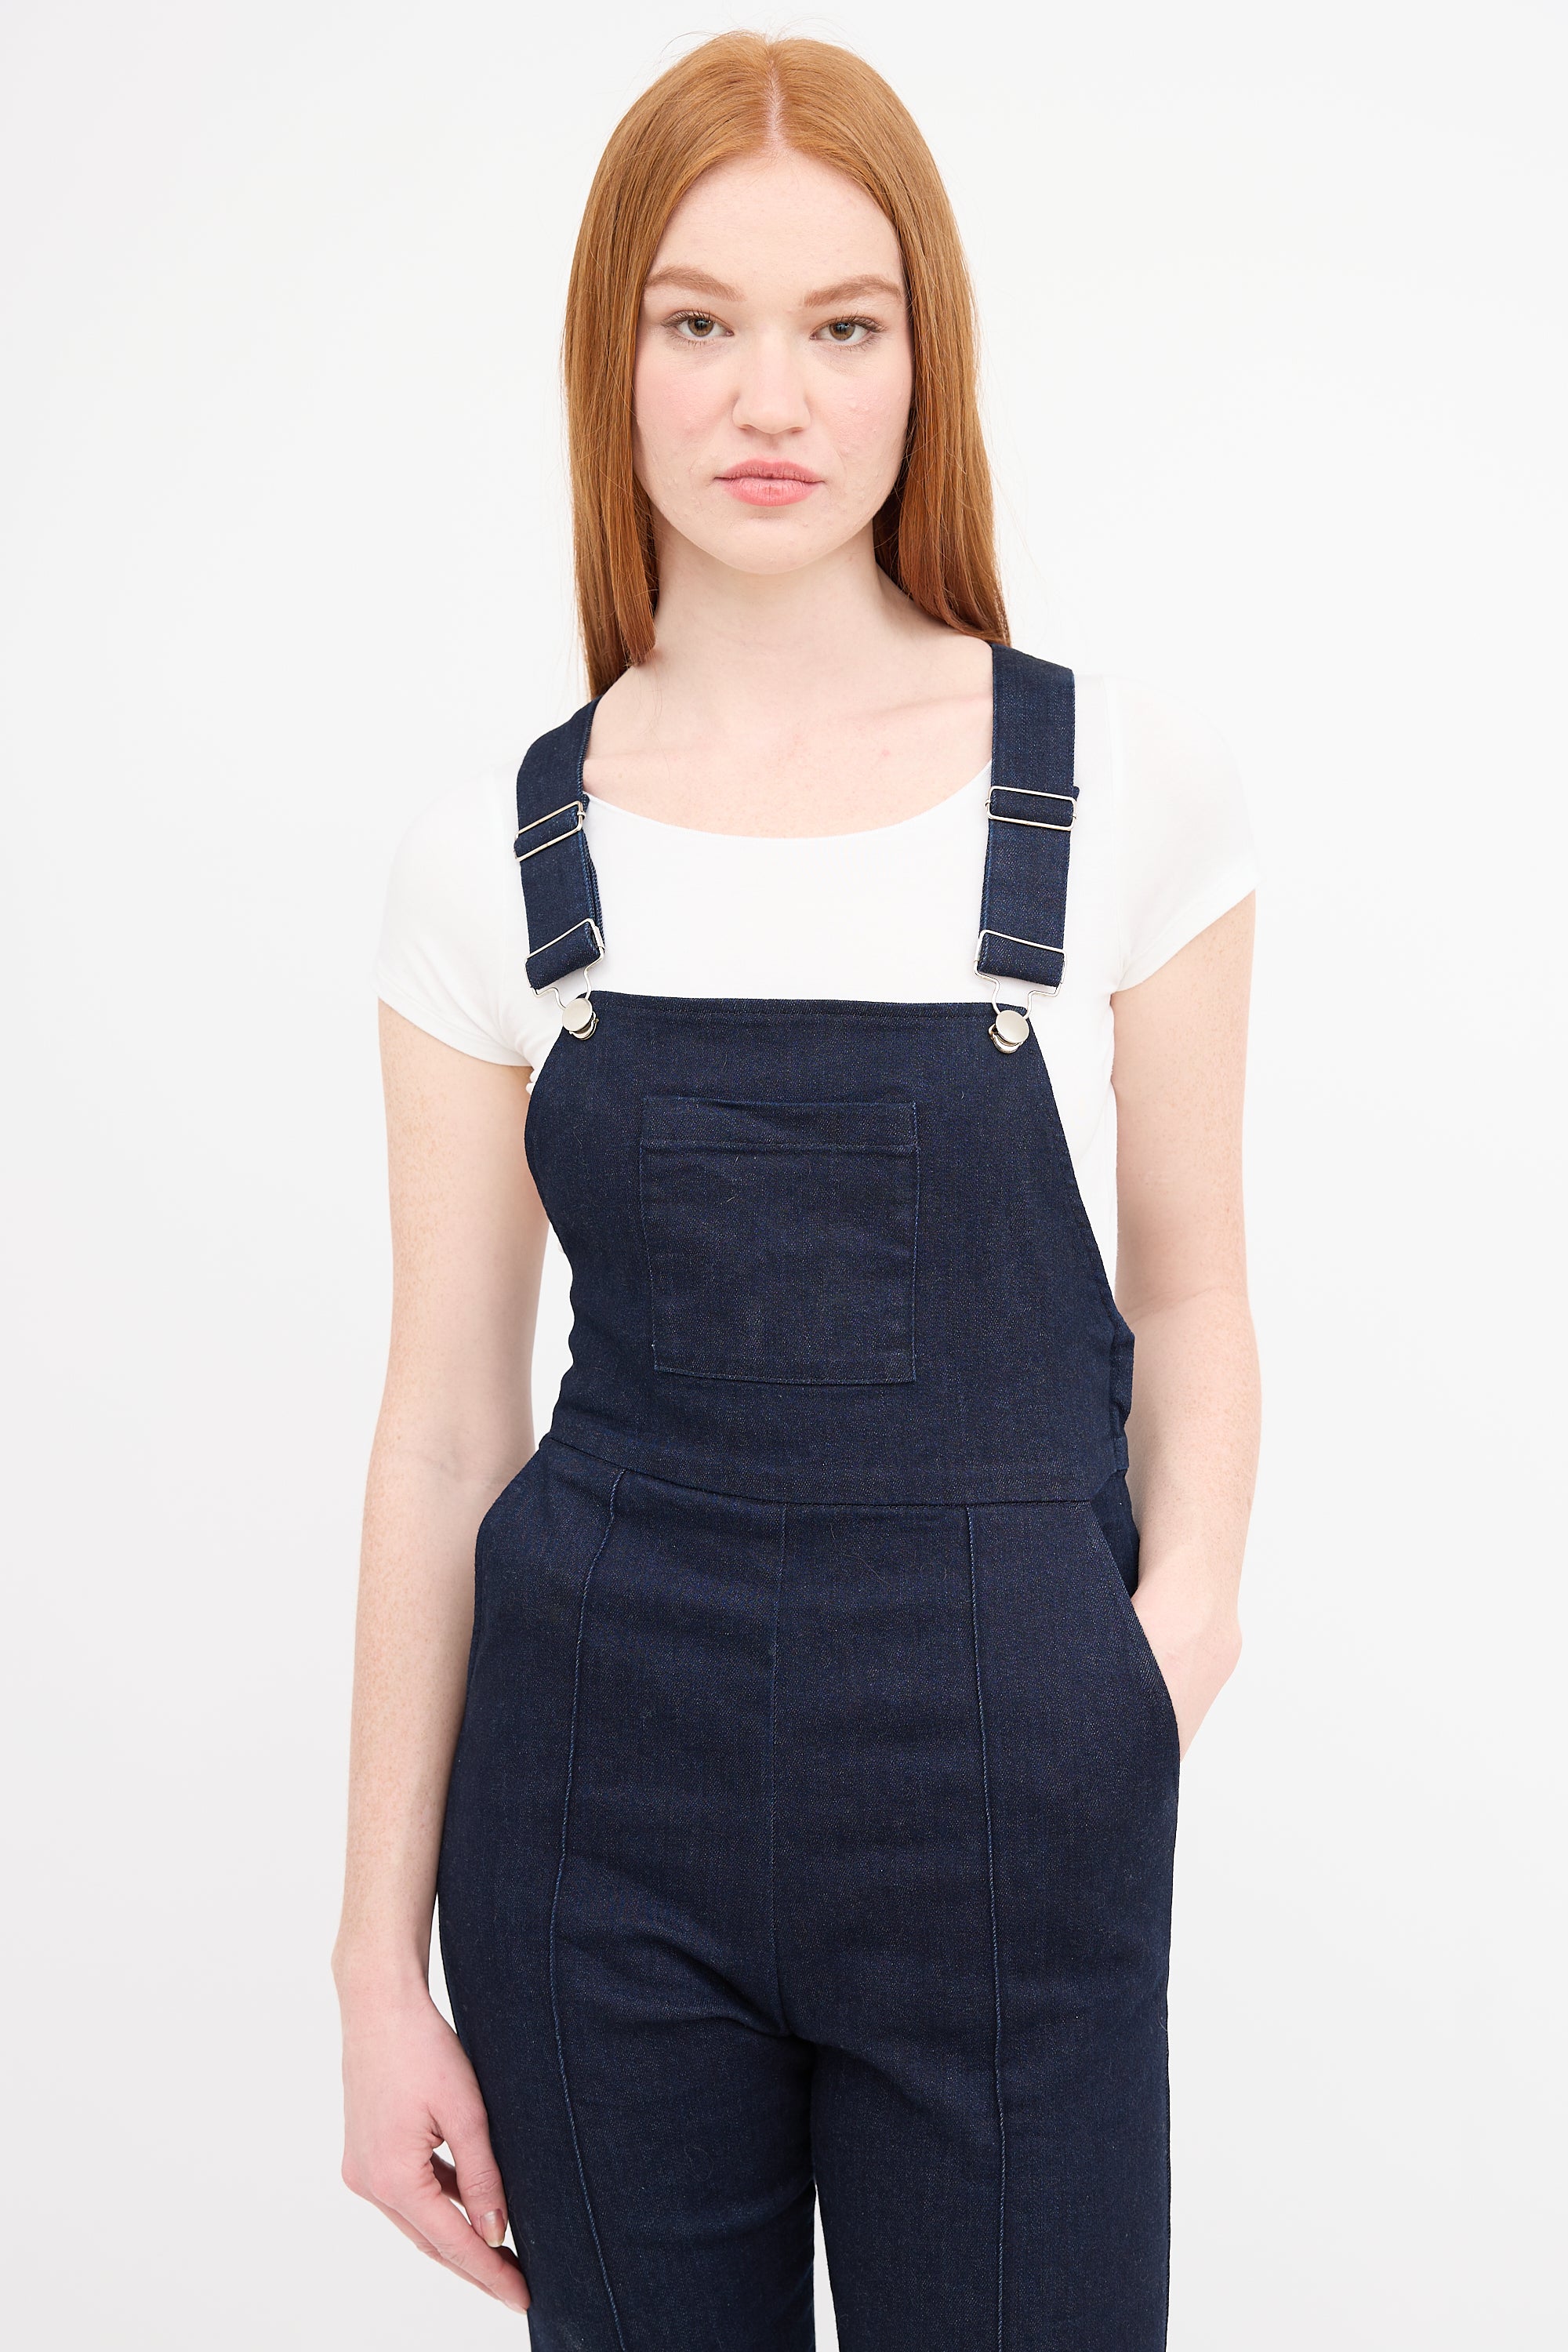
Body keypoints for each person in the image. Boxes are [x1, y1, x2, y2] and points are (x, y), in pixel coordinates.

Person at [332, 30, 1261, 2350]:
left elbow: (1195, 1292)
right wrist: (370, 1966)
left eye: (844, 324)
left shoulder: (1114, 790)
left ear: (925, 358)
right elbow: (445, 1426)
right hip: (591, 1822)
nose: (774, 397)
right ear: (612, 357)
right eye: (700, 321)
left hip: (1008, 1789)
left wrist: (1161, 1662)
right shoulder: (493, 860)